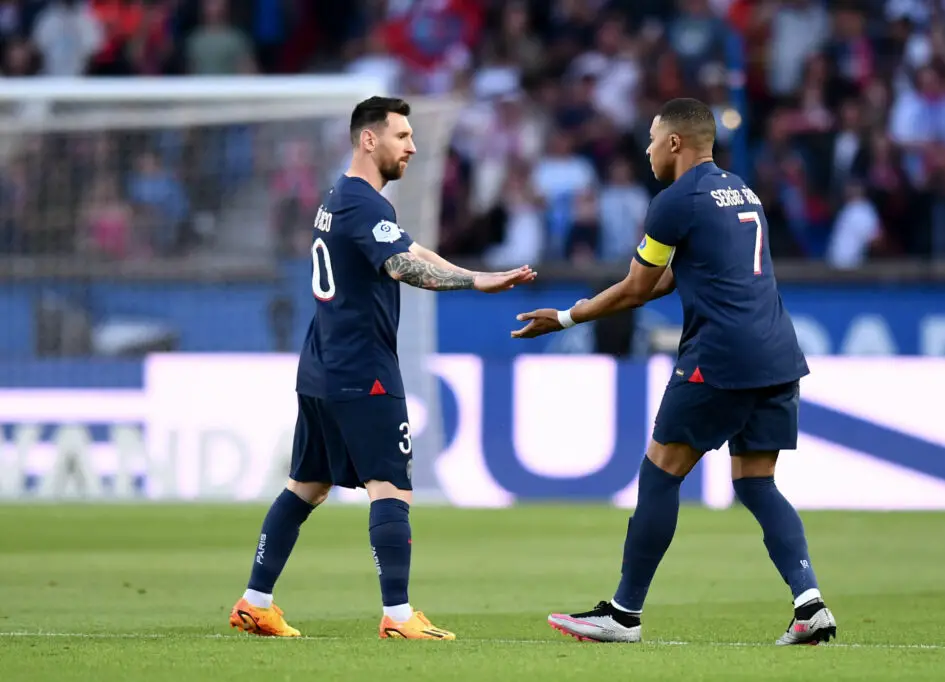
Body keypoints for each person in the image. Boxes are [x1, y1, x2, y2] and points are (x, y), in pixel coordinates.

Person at [511, 98, 836, 646]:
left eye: (653, 139)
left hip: (721, 356)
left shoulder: (675, 201)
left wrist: (567, 316)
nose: (647, 150)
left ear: (676, 143)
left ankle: (623, 614)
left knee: (661, 472)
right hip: (778, 353)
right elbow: (675, 276)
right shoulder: (742, 190)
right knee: (757, 483)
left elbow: (638, 288)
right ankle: (810, 604)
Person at [229, 96, 536, 640]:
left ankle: (255, 602)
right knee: (391, 487)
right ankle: (398, 615)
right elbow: (401, 266)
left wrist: (477, 276)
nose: (413, 147)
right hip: (362, 368)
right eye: (402, 136)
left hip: (321, 364)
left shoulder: (340, 197)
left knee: (306, 486)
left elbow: (410, 248)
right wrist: (471, 283)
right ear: (369, 140)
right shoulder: (365, 205)